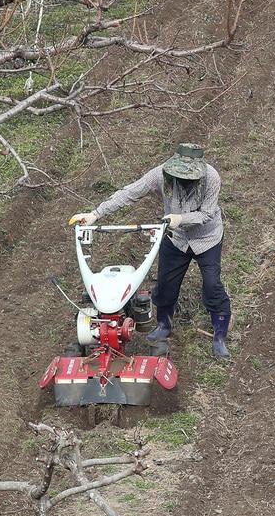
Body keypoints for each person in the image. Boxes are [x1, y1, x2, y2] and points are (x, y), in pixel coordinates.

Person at [69, 143, 231, 358]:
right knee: (165, 287)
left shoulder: (211, 177)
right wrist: (96, 214)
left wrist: (180, 218)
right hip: (176, 239)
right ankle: (164, 325)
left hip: (207, 239)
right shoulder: (160, 174)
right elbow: (131, 192)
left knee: (212, 286)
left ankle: (219, 336)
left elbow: (208, 214)